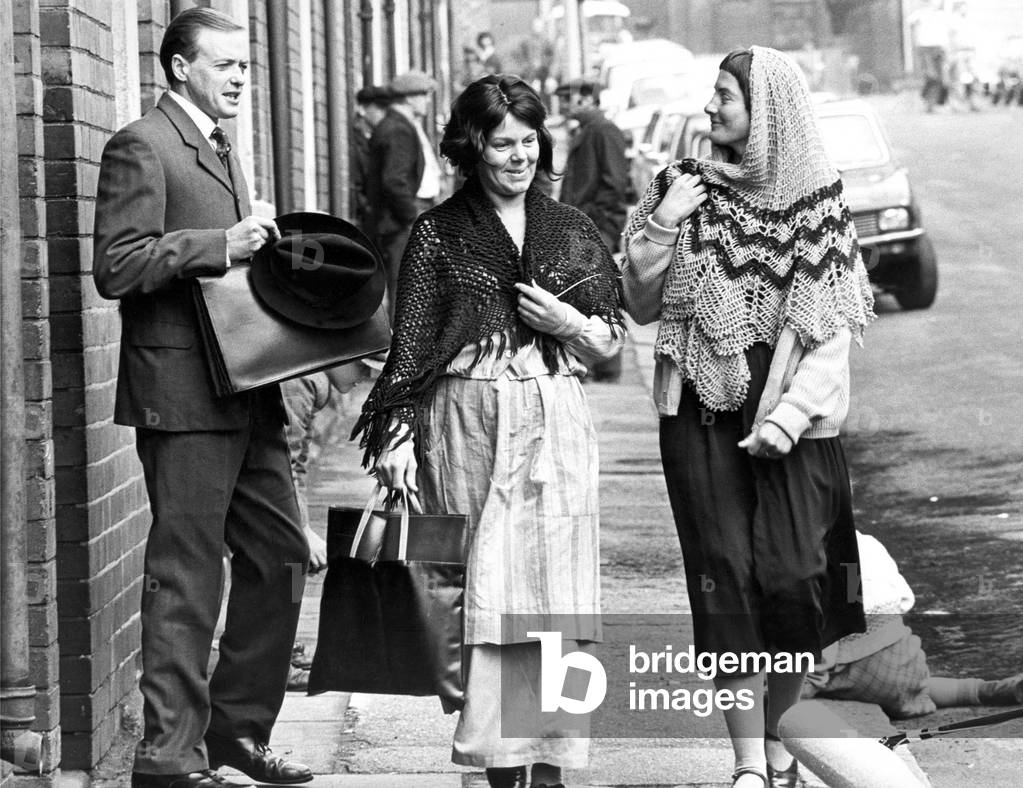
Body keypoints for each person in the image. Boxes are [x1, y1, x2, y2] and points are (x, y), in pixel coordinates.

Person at [353, 74, 625, 788]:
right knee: (488, 594)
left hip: (555, 420)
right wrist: (396, 438)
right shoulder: (438, 234)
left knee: (556, 598)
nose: (518, 156)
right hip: (468, 422)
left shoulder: (568, 228)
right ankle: (497, 766)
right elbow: (410, 351)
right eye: (502, 142)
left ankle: (553, 765)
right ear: (470, 147)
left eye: (528, 140)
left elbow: (608, 341)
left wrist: (566, 323)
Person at [621, 47, 875, 788]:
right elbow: (636, 303)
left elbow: (831, 334)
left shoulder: (818, 202)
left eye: (725, 96)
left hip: (793, 425)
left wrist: (788, 416)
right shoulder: (681, 189)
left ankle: (777, 738)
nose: (710, 108)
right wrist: (664, 224)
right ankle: (747, 764)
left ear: (766, 112)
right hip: (701, 417)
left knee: (796, 584)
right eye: (711, 94)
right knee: (725, 583)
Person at [92, 8, 312, 788]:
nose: (242, 78)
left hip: (246, 390)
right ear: (180, 67)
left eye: (246, 67)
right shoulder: (142, 146)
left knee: (283, 558)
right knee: (187, 576)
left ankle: (235, 735)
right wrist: (221, 245)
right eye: (226, 65)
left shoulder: (219, 147)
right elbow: (117, 267)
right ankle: (167, 758)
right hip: (183, 396)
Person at [803, 531, 1023, 715]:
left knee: (786, 685)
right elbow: (904, 599)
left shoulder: (805, 552)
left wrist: (810, 680)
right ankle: (984, 690)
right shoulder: (867, 542)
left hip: (841, 661)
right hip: (903, 660)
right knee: (919, 687)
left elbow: (827, 626)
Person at [280, 361, 378, 692]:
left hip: (275, 495)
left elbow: (299, 464)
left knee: (293, 566)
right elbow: (285, 462)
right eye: (364, 367)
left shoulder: (315, 382)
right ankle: (278, 663)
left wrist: (301, 525)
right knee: (289, 563)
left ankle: (285, 650)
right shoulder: (299, 383)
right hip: (256, 495)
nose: (366, 377)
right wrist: (302, 530)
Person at [556, 77, 630, 382]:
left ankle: (605, 365)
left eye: (567, 98)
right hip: (585, 227)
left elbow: (614, 186)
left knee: (596, 295)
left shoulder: (603, 130)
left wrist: (598, 225)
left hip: (593, 229)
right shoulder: (589, 130)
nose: (561, 105)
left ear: (587, 100)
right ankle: (600, 365)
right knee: (589, 294)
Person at [365, 70, 442, 321]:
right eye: (424, 96)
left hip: (405, 216)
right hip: (402, 220)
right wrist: (412, 216)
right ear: (410, 98)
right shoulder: (398, 129)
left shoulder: (399, 125)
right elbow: (394, 180)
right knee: (407, 285)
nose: (428, 102)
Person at [351, 86, 392, 232]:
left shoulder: (375, 137)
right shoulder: (353, 139)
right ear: (363, 109)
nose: (383, 114)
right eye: (379, 108)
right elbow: (355, 182)